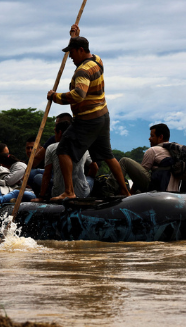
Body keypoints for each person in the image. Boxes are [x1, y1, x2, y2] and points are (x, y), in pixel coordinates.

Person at [47, 25, 130, 199]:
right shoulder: (97, 60)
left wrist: (56, 97)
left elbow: (79, 94)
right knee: (107, 155)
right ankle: (124, 190)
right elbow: (81, 48)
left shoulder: (83, 71)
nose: (70, 57)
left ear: (81, 50)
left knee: (62, 150)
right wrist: (75, 37)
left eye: (72, 52)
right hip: (103, 116)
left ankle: (69, 192)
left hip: (87, 120)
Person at [119, 123, 186, 193]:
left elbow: (139, 178)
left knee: (124, 161)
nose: (149, 138)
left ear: (160, 137)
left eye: (152, 136)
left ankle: (109, 190)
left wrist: (130, 194)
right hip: (173, 193)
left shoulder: (153, 150)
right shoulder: (179, 154)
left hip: (156, 191)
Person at [40, 120, 96, 198]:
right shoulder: (83, 147)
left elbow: (47, 175)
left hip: (58, 193)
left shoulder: (51, 148)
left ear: (59, 133)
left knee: (37, 177)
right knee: (90, 179)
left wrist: (41, 197)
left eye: (55, 133)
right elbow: (95, 168)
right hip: (82, 194)